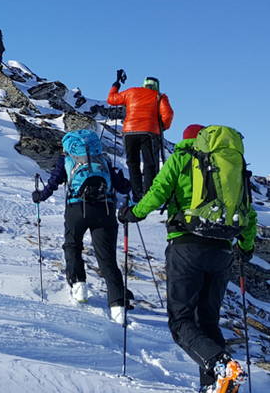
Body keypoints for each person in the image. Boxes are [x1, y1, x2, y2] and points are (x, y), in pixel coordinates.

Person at [119, 124, 257, 393]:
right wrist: (246, 246)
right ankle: (216, 385)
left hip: (187, 246)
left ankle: (221, 366)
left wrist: (133, 213)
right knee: (207, 322)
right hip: (223, 250)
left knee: (181, 322)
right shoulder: (231, 165)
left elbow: (157, 190)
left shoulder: (183, 157)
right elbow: (248, 212)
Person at [32, 129, 133, 323]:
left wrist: (39, 196)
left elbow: (54, 181)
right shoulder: (102, 159)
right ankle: (118, 306)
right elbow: (122, 185)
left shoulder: (67, 158)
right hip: (105, 208)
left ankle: (79, 286)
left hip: (77, 208)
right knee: (107, 258)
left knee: (72, 245)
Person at [108, 72, 174, 201]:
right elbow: (168, 114)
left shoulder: (131, 92)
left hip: (129, 132)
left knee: (133, 163)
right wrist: (162, 127)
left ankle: (137, 195)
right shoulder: (159, 96)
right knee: (150, 163)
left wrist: (115, 85)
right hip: (149, 132)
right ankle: (149, 195)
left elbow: (112, 99)